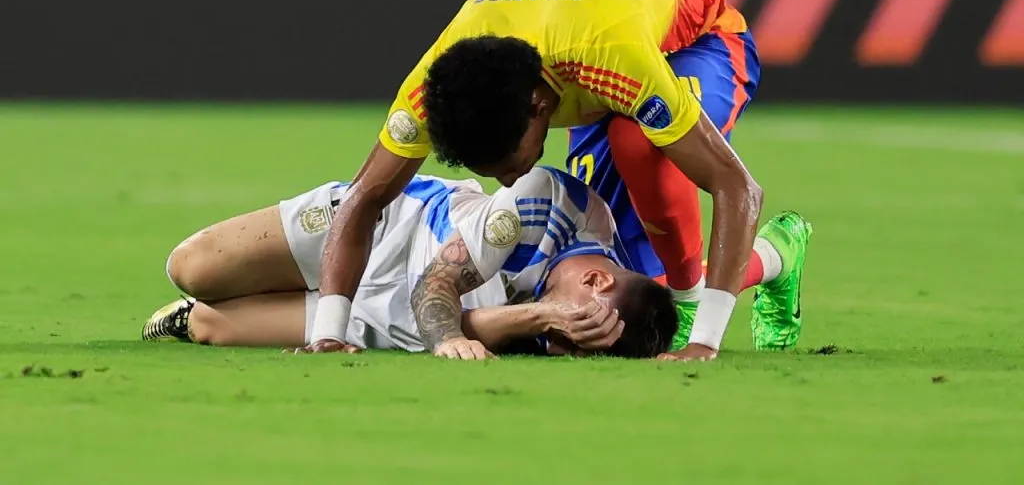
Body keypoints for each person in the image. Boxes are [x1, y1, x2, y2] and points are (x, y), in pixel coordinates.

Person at [305, 0, 812, 361]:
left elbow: (737, 187)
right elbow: (365, 196)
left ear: (539, 108)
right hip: (576, 57)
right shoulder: (442, 81)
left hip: (692, 42)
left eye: (507, 159)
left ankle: (690, 297)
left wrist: (704, 339)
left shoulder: (611, 55)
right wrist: (328, 331)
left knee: (640, 146)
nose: (506, 182)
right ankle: (776, 256)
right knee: (623, 289)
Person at [143, 167, 678, 359]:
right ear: (595, 278)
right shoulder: (545, 204)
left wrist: (538, 319)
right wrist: (450, 340)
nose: (560, 346)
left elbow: (472, 326)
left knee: (210, 325)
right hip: (387, 231)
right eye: (574, 331)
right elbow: (436, 287)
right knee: (192, 269)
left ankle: (187, 316)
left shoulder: (579, 312)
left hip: (394, 322)